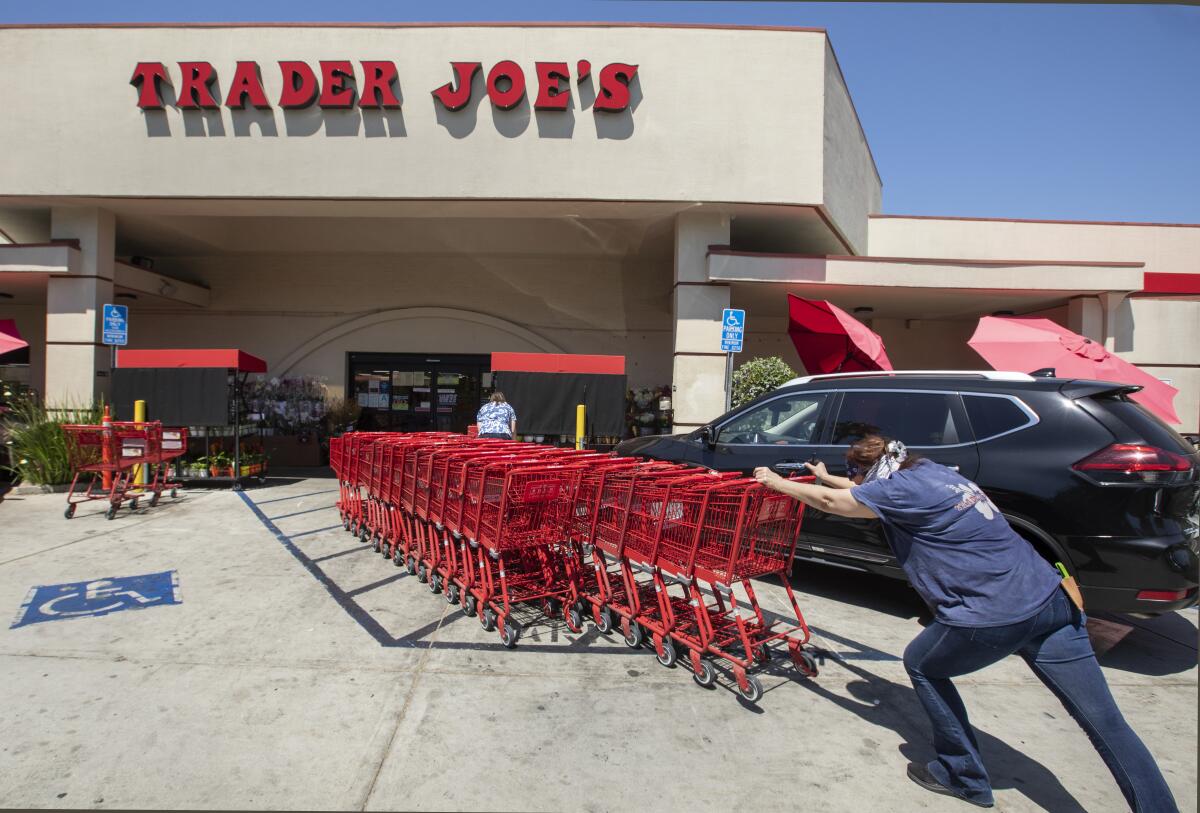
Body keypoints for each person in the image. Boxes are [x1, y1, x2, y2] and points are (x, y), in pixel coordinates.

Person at [753, 435, 1178, 812]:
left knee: (923, 663)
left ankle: (964, 777)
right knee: (1105, 721)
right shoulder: (931, 473)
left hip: (992, 613)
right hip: (1049, 599)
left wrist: (775, 482)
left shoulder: (896, 489)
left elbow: (838, 504)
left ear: (872, 471)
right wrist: (826, 477)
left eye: (855, 474)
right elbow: (864, 493)